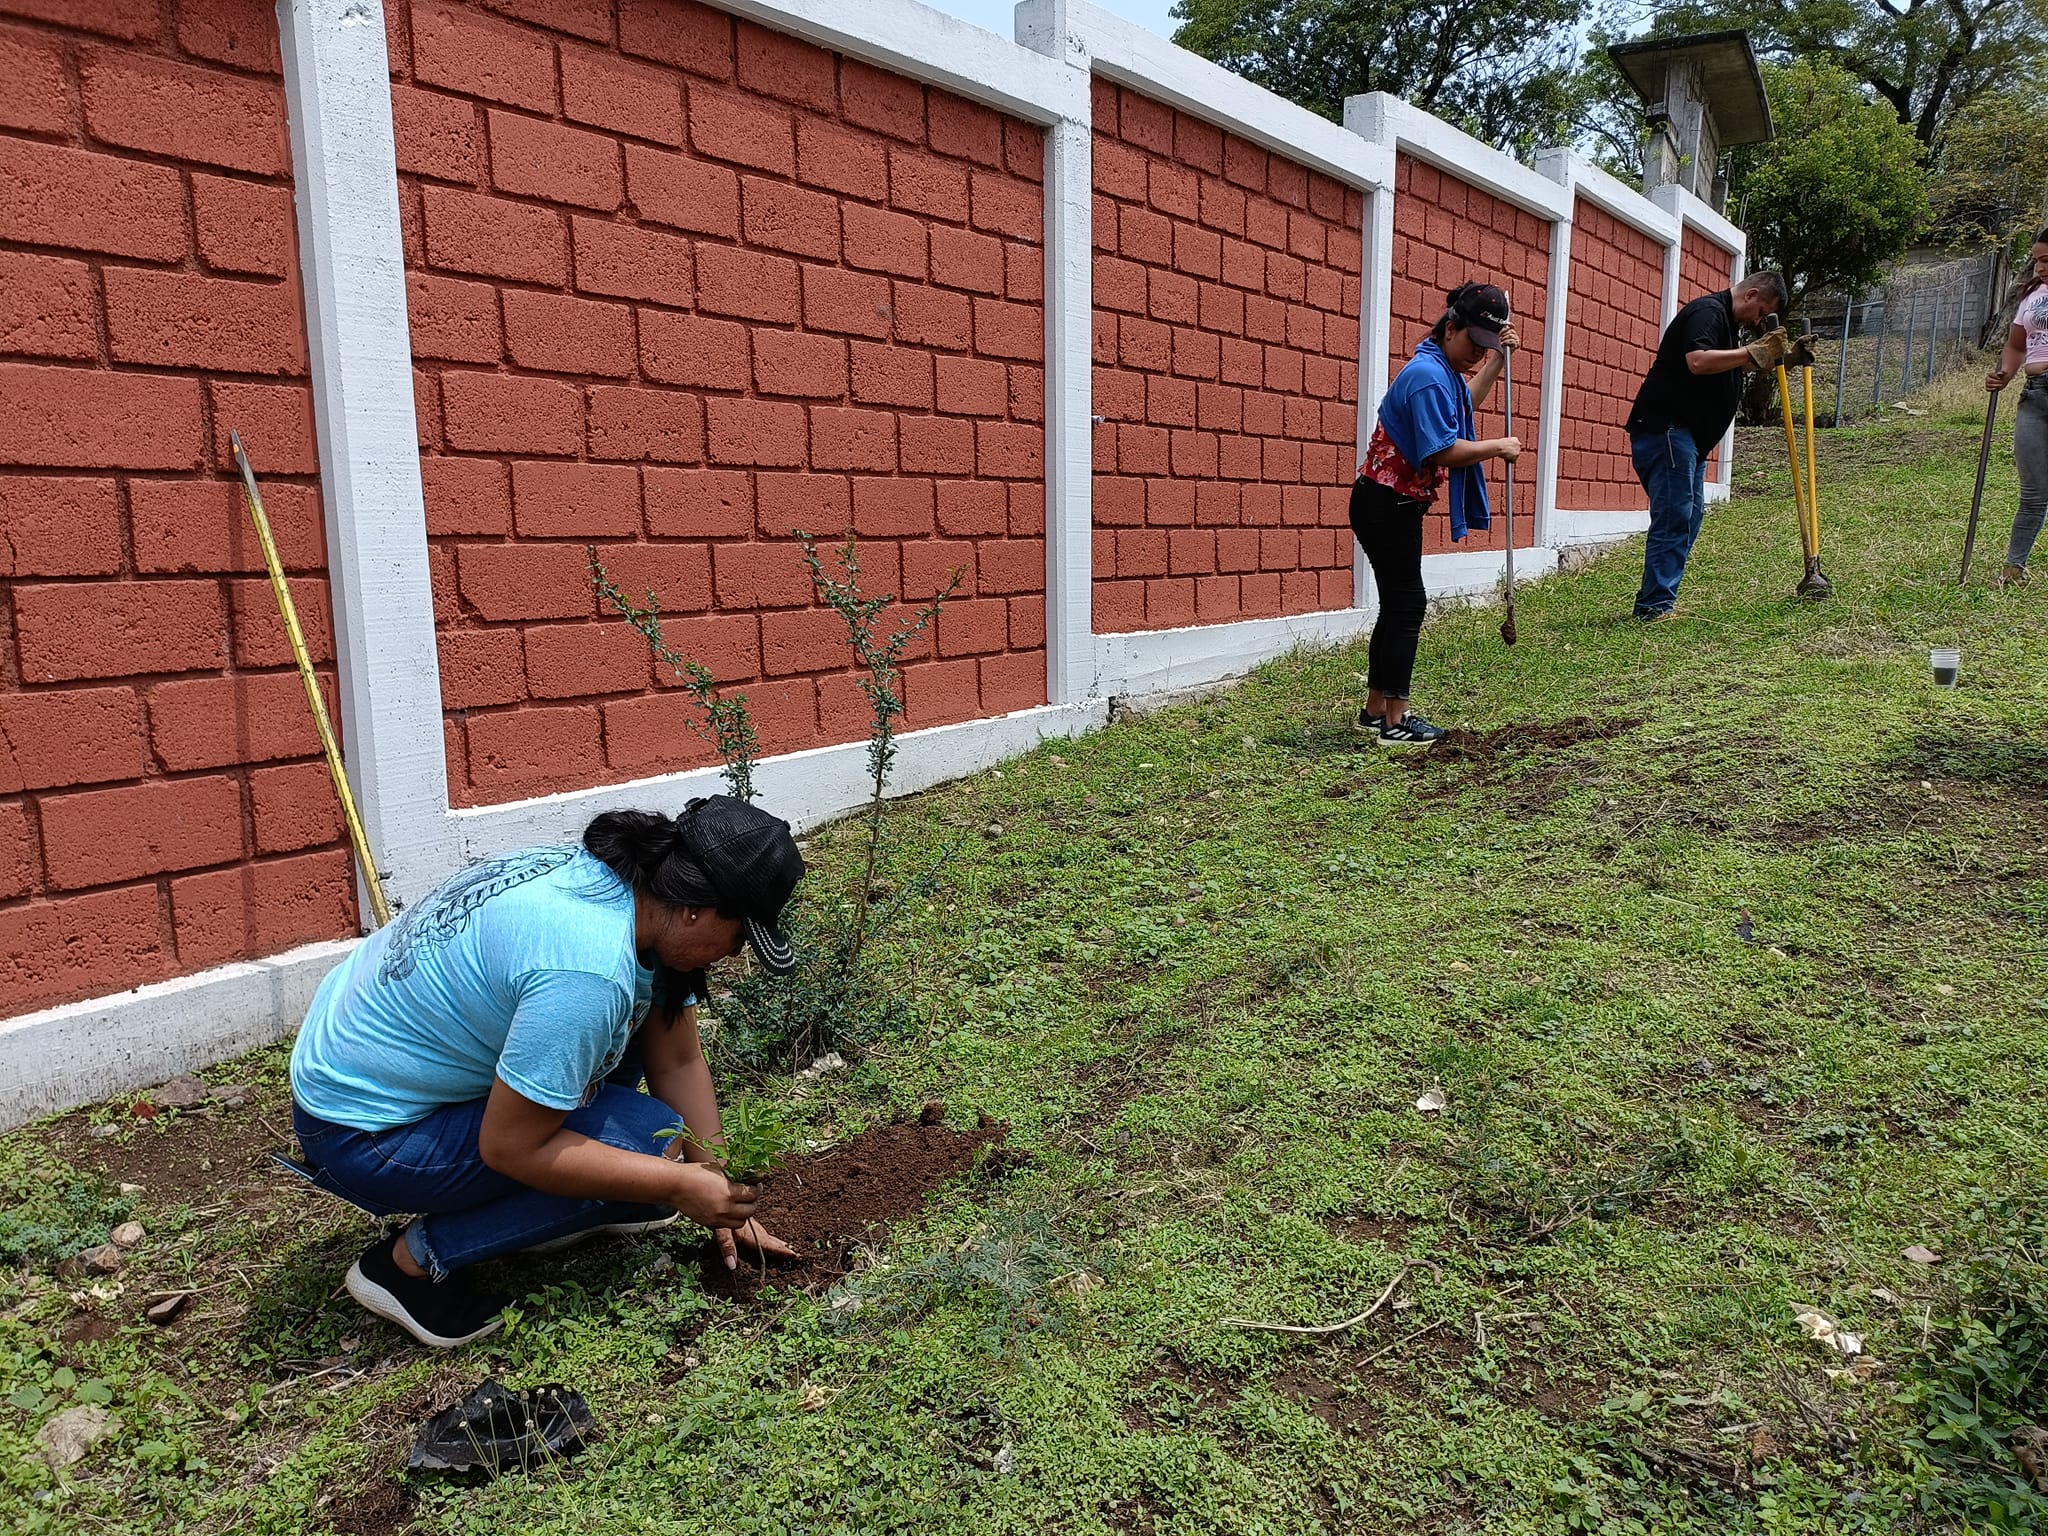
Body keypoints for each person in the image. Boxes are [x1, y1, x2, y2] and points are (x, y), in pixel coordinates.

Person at [288, 795, 805, 1348]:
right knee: (650, 1145)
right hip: (368, 1134)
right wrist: (679, 1181)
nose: (732, 955)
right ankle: (407, 1264)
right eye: (739, 937)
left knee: (643, 1134)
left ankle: (593, 1189)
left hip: (373, 1062)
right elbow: (511, 1147)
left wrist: (718, 1192)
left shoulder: (624, 884)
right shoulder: (586, 968)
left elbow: (676, 1057)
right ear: (696, 909)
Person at [1350, 281, 1522, 746]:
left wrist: (1501, 361)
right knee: (1409, 604)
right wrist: (1497, 447)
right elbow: (1442, 449)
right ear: (1451, 328)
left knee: (1398, 603)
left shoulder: (1440, 369)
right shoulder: (1427, 376)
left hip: (1390, 503)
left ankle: (1374, 711)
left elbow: (1467, 403)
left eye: (1489, 348)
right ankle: (1395, 721)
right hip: (1386, 504)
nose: (1478, 356)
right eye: (1475, 344)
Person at [1625, 270, 1795, 619]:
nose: (1759, 319)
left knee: (1689, 518)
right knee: (1675, 517)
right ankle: (1654, 606)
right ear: (1750, 295)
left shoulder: (1727, 326)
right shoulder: (1708, 312)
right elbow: (1698, 361)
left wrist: (1782, 359)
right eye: (1761, 311)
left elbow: (1729, 366)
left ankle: (1658, 596)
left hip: (1688, 438)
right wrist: (1752, 351)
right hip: (1668, 430)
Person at [1985, 228, 2048, 587]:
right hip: (2036, 394)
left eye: (2047, 260)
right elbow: (2016, 345)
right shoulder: (2032, 297)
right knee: (2034, 492)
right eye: (2037, 260)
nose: (2040, 268)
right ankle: (2013, 570)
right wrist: (2005, 374)